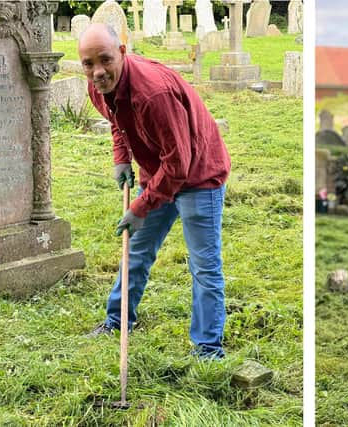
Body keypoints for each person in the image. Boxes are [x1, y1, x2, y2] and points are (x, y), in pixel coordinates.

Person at [79, 24, 231, 360]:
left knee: (203, 265)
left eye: (105, 59)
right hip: (159, 171)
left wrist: (141, 206)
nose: (98, 72)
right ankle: (118, 321)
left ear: (122, 51)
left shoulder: (152, 94)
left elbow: (179, 165)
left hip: (198, 175)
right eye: (88, 64)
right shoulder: (98, 87)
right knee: (136, 250)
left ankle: (208, 349)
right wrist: (121, 158)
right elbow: (118, 121)